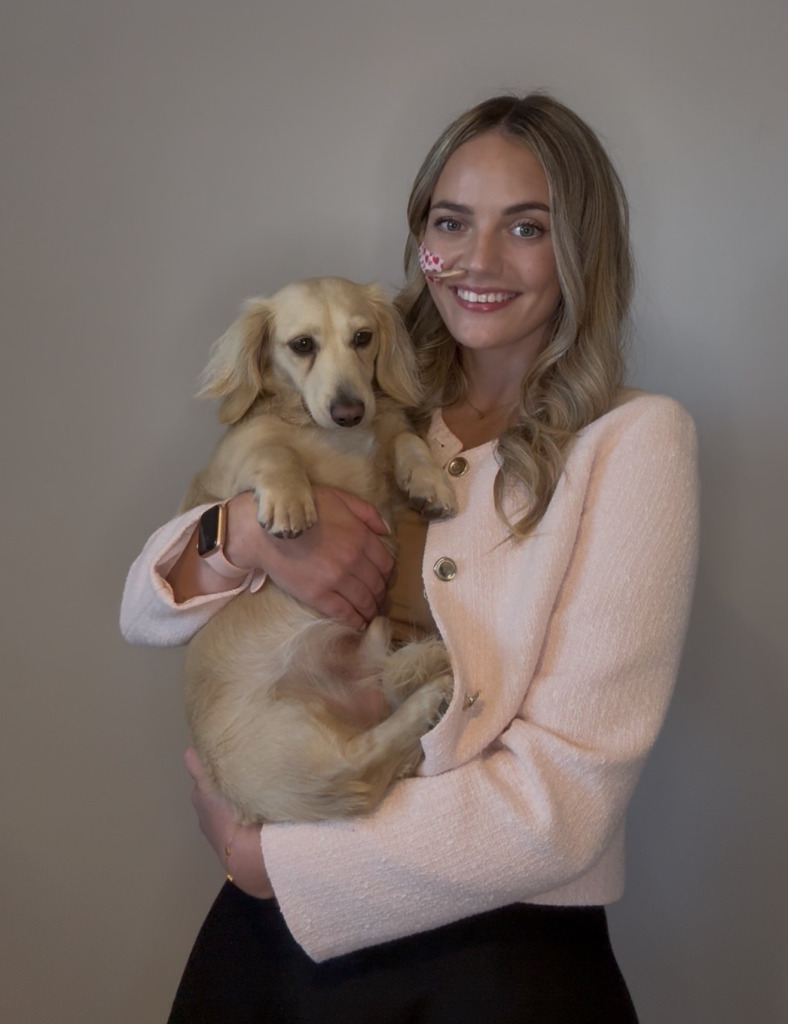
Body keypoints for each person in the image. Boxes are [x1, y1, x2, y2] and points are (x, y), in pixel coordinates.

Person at [121, 92, 699, 1023]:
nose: (477, 261)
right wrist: (245, 533)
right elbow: (143, 611)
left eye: (526, 227)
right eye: (450, 223)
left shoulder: (633, 441)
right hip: (282, 949)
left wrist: (273, 861)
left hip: (495, 956)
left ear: (581, 249)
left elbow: (567, 798)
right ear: (421, 240)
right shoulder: (362, 402)